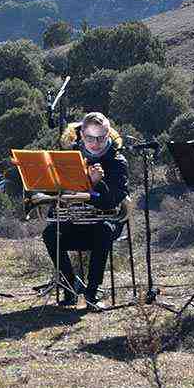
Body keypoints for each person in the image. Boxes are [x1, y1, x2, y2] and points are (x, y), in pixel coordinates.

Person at [41, 112, 129, 307]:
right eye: (90, 138)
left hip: (102, 223)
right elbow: (54, 193)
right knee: (50, 233)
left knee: (103, 230)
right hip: (73, 222)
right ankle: (71, 285)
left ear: (108, 135)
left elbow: (112, 202)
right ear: (81, 136)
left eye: (101, 138)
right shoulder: (68, 158)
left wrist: (97, 184)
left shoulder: (117, 162)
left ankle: (92, 290)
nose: (95, 143)